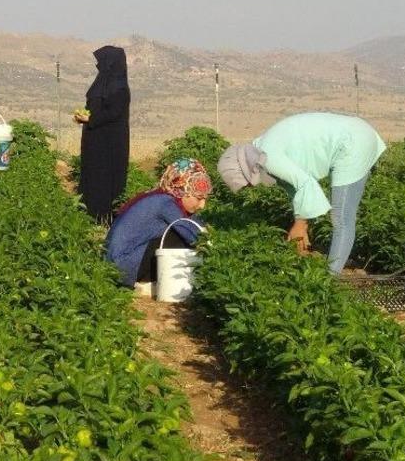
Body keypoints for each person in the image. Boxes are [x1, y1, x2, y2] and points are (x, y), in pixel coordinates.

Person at [217, 112, 386, 274]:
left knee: (342, 217)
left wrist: (300, 225)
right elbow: (296, 190)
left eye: (246, 183)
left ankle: (330, 280)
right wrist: (302, 225)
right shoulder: (261, 149)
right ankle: (331, 272)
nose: (250, 187)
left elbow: (306, 184)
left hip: (352, 142)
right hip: (356, 133)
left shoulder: (269, 156)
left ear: (244, 169)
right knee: (341, 217)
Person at [105, 158, 212, 291]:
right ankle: (149, 282)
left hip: (115, 264)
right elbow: (196, 236)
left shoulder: (161, 197)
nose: (202, 205)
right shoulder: (165, 204)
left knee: (182, 229)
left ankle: (147, 280)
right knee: (181, 236)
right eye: (199, 198)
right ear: (182, 191)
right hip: (123, 266)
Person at [75, 46, 131, 223]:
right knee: (92, 174)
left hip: (111, 142)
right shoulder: (100, 85)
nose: (99, 66)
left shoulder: (120, 89)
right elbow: (93, 107)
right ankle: (89, 214)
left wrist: (91, 119)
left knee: (107, 178)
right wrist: (83, 116)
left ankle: (105, 218)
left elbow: (113, 113)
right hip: (94, 140)